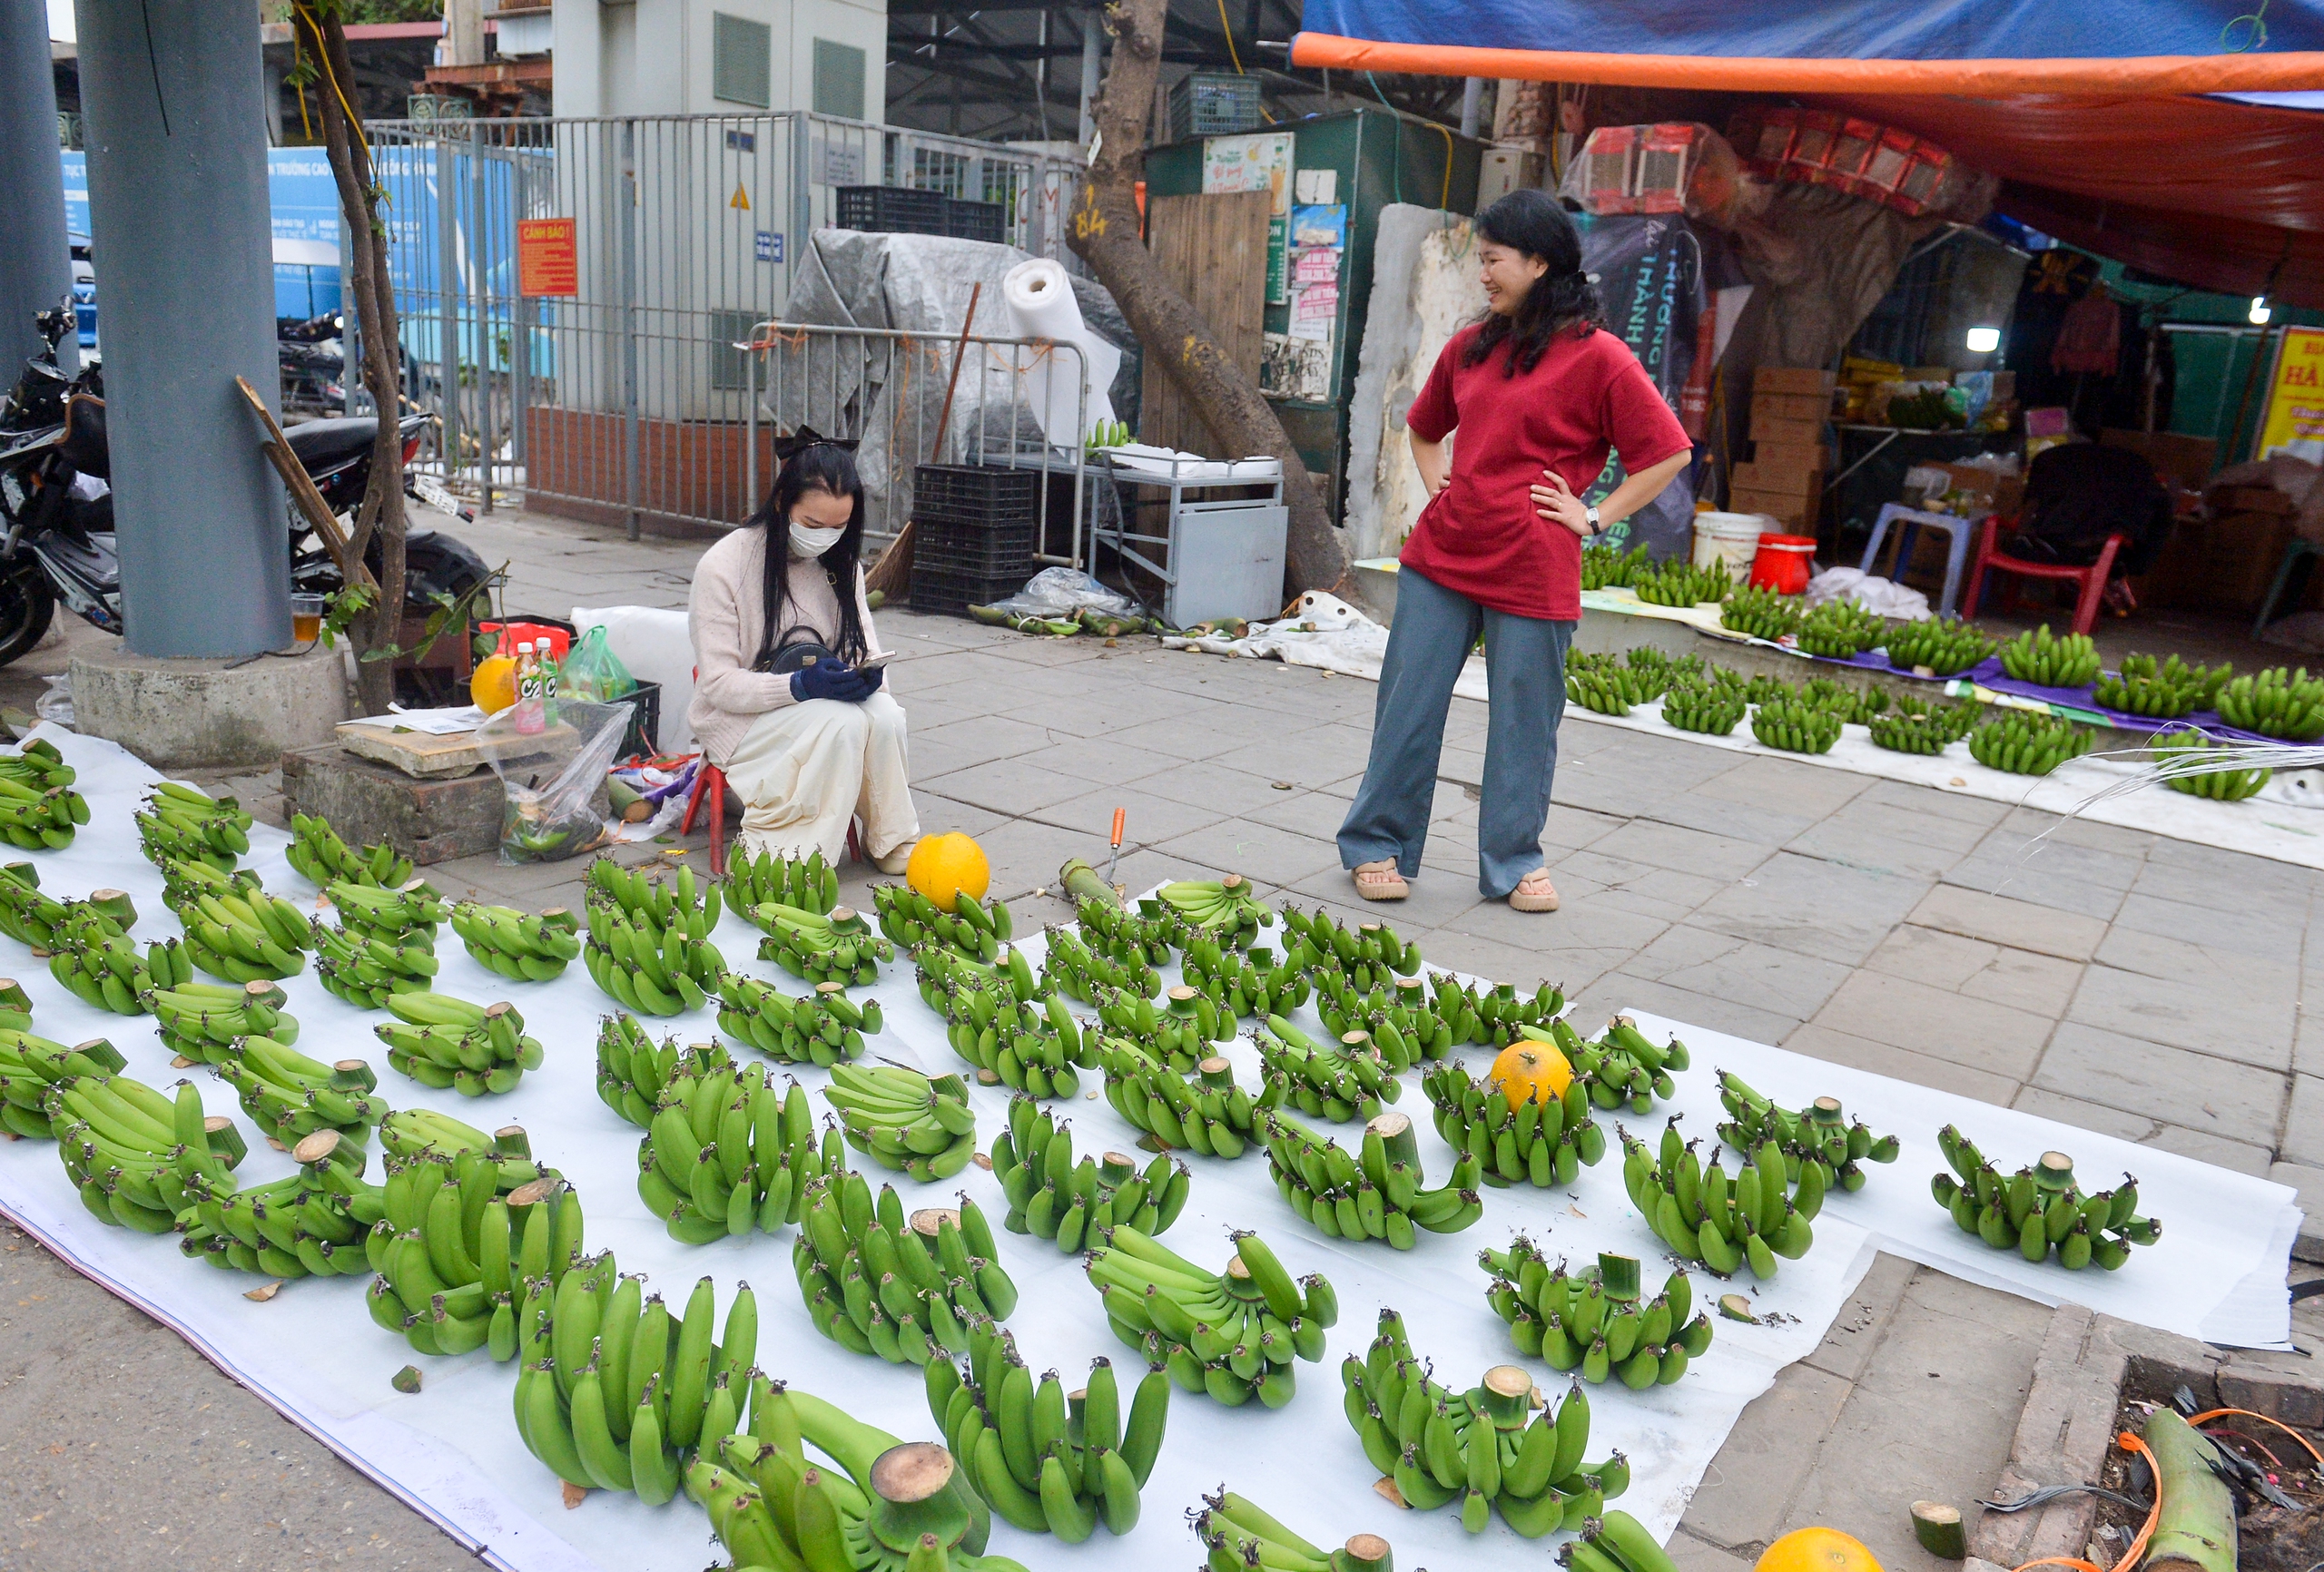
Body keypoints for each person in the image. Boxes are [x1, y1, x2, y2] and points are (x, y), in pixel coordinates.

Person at [1338, 189, 1691, 912]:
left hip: (1535, 563)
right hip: (1444, 560)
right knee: (1408, 708)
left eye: (1494, 260)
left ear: (1538, 262)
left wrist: (1592, 518)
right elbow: (1425, 426)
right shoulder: (1471, 347)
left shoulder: (1601, 359)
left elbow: (1667, 453)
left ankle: (1513, 859)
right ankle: (1378, 844)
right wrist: (1441, 484)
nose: (1483, 275)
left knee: (1525, 723)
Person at [686, 437, 920, 870]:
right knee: (842, 722)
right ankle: (794, 856)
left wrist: (868, 679)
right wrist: (797, 686)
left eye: (838, 527)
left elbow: (865, 649)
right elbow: (718, 684)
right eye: (812, 524)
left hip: (816, 708)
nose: (824, 538)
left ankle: (891, 839)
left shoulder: (841, 565)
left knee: (885, 714)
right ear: (781, 503)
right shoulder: (724, 566)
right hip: (740, 719)